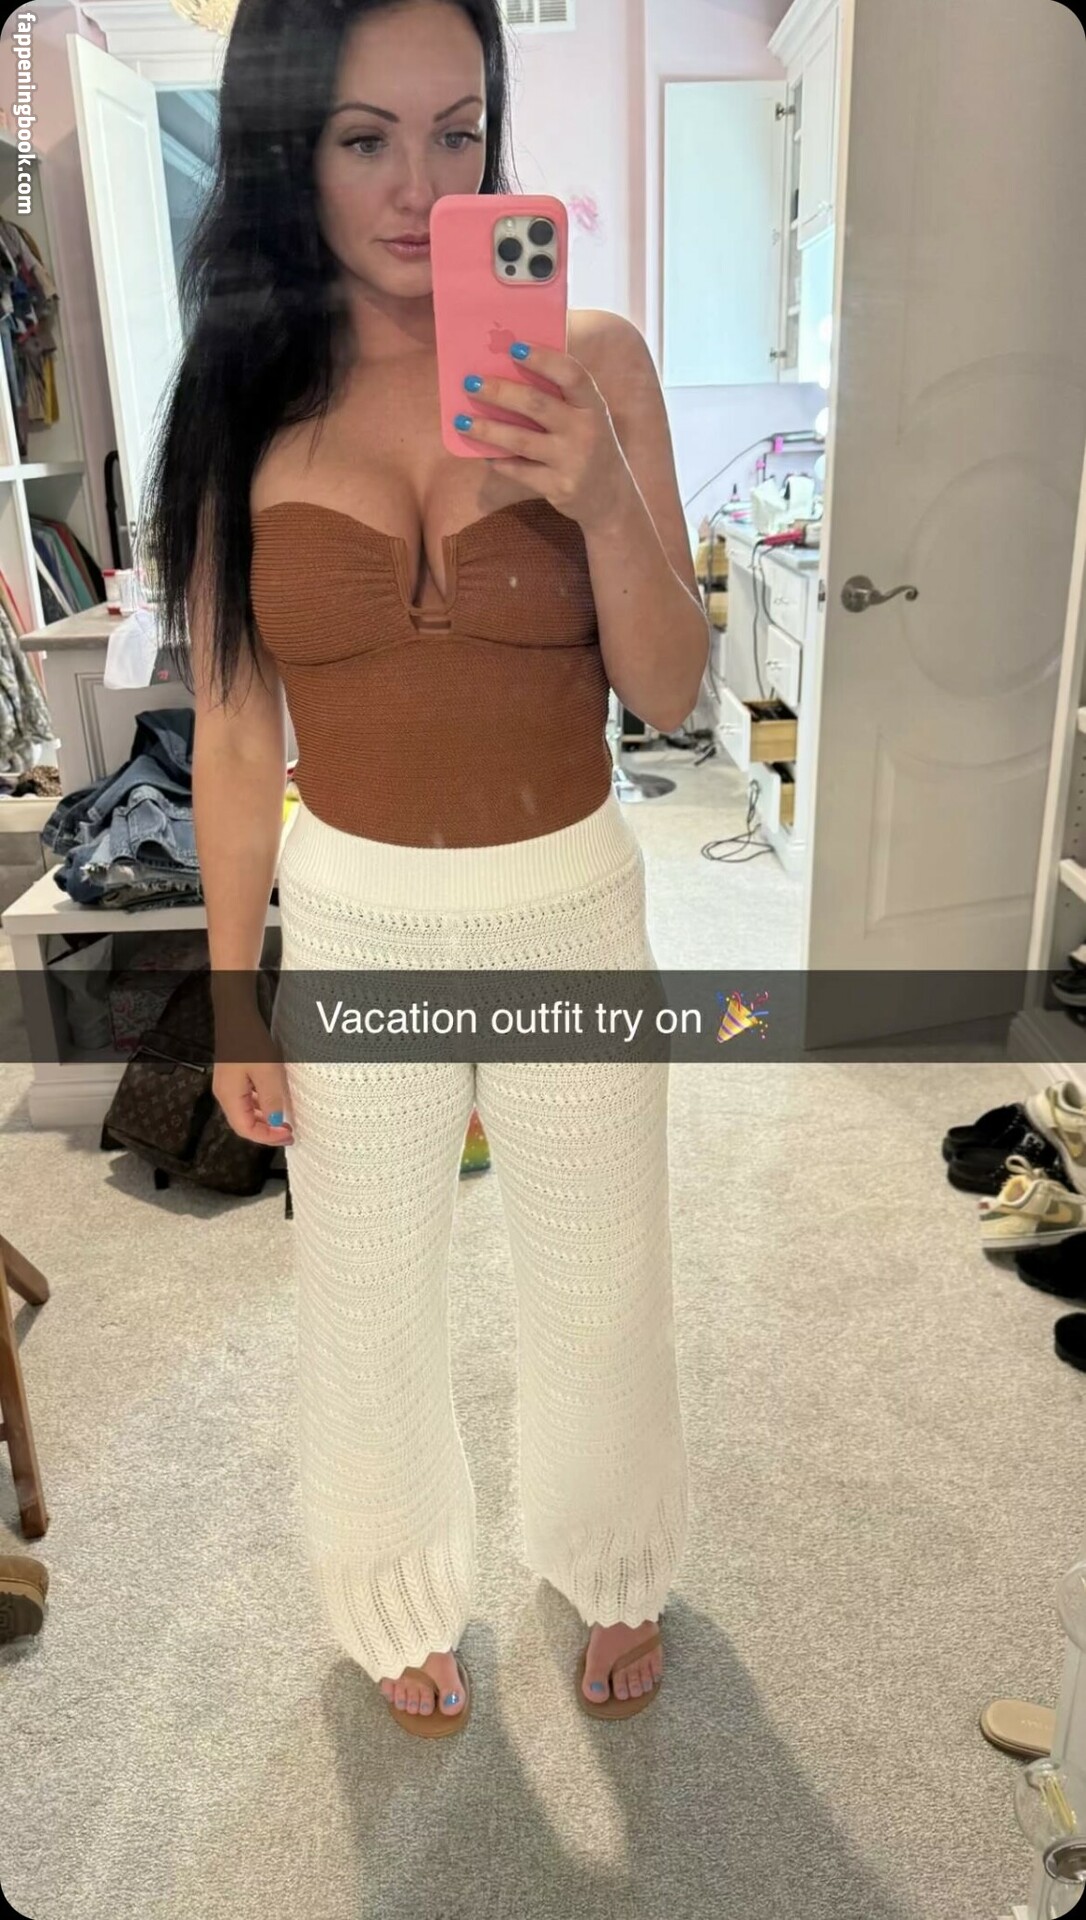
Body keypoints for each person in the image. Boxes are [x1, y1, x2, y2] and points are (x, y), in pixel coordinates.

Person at [144, 0, 709, 1736]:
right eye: (364, 139)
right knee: (366, 1296)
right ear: (288, 148)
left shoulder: (589, 358)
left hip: (567, 907)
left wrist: (600, 496)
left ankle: (612, 1563)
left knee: (601, 1282)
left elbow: (672, 694)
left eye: (457, 131)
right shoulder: (242, 394)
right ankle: (389, 1578)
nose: (419, 187)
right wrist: (235, 996)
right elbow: (233, 733)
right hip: (357, 917)